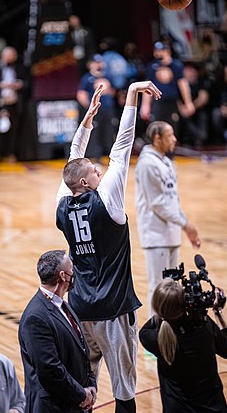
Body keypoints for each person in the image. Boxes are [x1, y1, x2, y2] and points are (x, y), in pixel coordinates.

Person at [56, 81, 162, 413]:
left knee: (85, 389)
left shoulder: (62, 206)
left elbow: (73, 161)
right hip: (113, 311)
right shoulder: (107, 201)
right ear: (86, 183)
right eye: (94, 172)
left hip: (81, 309)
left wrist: (86, 123)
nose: (100, 170)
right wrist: (132, 95)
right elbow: (122, 145)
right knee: (124, 391)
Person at [139, 278, 227, 412]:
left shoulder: (154, 339)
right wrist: (217, 311)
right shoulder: (205, 326)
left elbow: (148, 326)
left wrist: (165, 306)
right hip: (214, 408)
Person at [135, 121, 201, 317]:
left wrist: (185, 225)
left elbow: (173, 200)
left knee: (172, 286)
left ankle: (169, 332)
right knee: (157, 287)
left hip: (171, 232)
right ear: (157, 138)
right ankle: (153, 339)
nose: (174, 139)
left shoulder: (166, 162)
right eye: (170, 135)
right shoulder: (147, 164)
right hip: (155, 235)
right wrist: (185, 224)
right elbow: (157, 202)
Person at [18, 249, 96, 413]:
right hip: (53, 407)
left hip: (74, 403)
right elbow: (50, 370)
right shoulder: (36, 318)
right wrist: (81, 395)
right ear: (62, 275)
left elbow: (82, 350)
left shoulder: (63, 306)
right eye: (71, 269)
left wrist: (91, 385)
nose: (74, 273)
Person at [140, 41, 195, 139]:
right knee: (155, 129)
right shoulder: (152, 66)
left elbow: (183, 84)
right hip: (157, 102)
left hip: (171, 102)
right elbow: (147, 86)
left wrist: (188, 102)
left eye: (161, 51)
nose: (158, 53)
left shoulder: (176, 65)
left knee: (172, 128)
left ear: (167, 51)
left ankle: (169, 151)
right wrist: (145, 105)